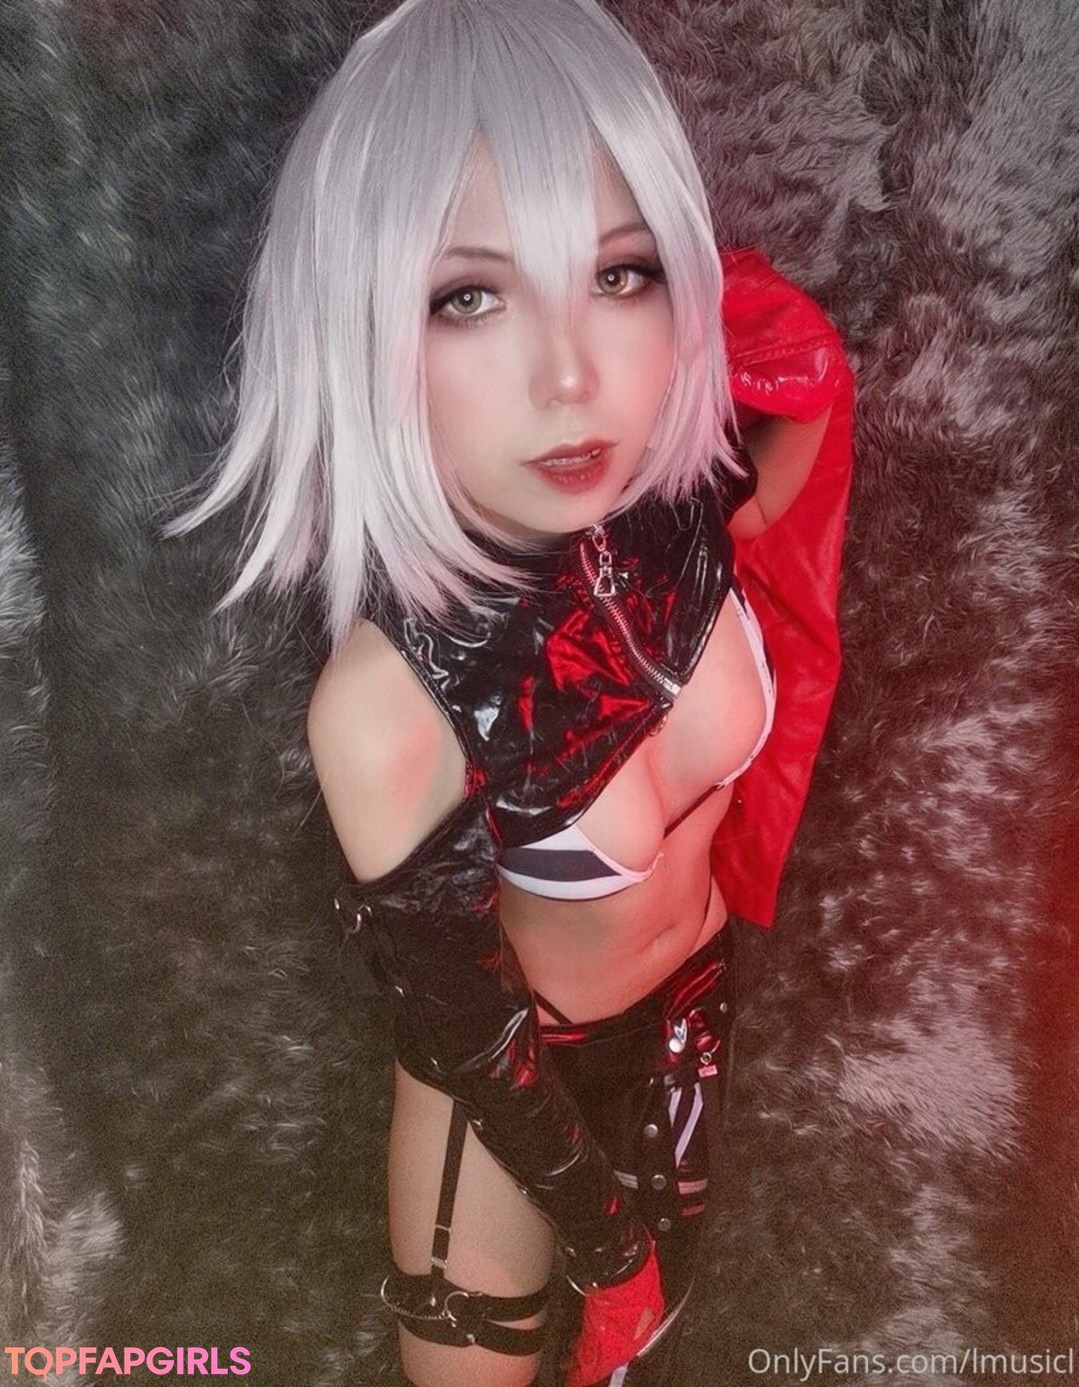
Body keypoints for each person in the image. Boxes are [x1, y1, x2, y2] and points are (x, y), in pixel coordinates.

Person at [173, 0, 853, 1381]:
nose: (570, 375)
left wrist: (759, 367)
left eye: (619, 274)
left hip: (690, 1033)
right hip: (505, 1120)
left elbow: (794, 456)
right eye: (469, 296)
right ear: (361, 326)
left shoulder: (677, 509)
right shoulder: (387, 710)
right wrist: (612, 1247)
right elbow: (472, 1042)